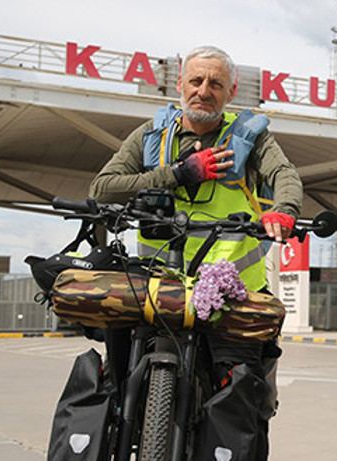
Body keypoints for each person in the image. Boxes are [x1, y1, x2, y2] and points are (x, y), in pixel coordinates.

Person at [89, 45, 302, 460]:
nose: (204, 91)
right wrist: (179, 174)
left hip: (232, 291)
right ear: (180, 85)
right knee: (115, 379)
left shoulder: (250, 137)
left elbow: (284, 174)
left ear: (231, 91)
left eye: (216, 84)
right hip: (159, 283)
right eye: (196, 81)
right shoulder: (152, 136)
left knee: (247, 399)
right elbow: (102, 188)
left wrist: (285, 209)